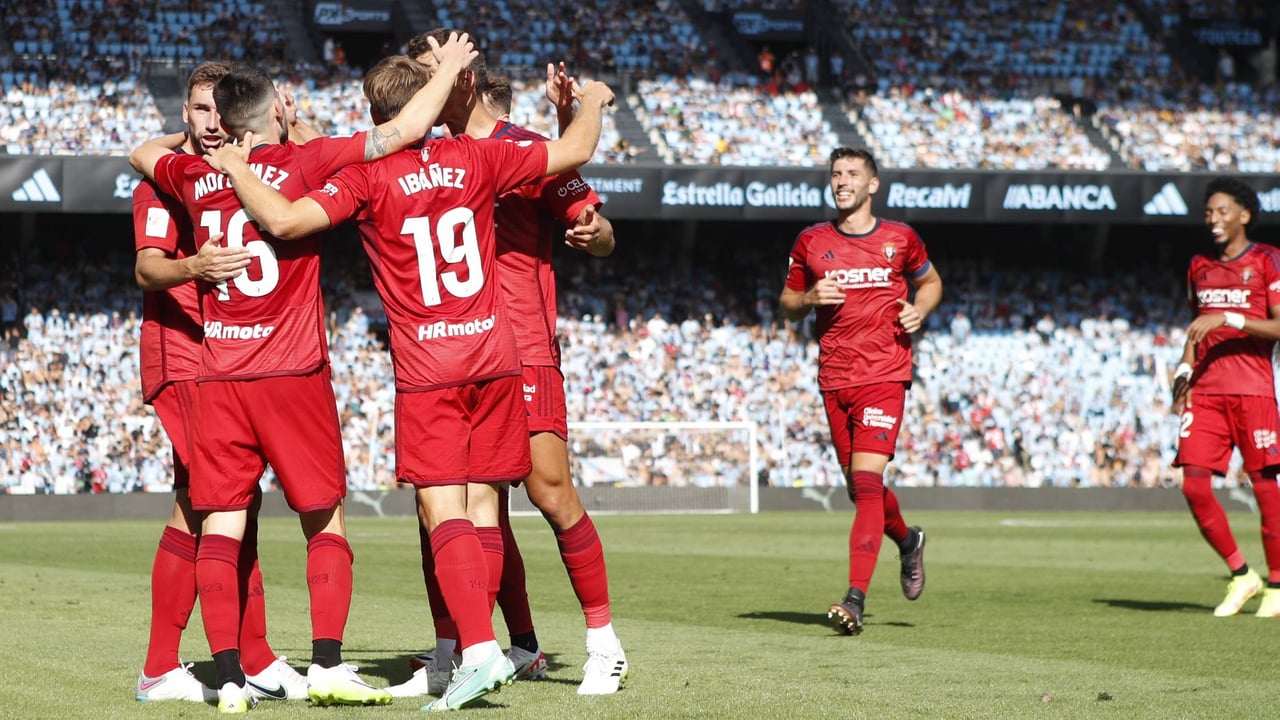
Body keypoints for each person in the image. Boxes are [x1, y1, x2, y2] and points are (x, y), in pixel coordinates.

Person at [204, 55, 614, 711]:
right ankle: (489, 649)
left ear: (376, 116)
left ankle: (479, 651)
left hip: (430, 369)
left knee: (441, 511)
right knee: (486, 509)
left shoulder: (366, 178)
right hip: (496, 355)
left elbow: (283, 221)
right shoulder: (478, 157)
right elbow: (576, 150)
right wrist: (590, 99)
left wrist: (238, 169)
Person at [129, 35, 476, 713]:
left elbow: (142, 153)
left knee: (219, 521)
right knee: (324, 520)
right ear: (276, 113)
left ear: (227, 122)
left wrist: (214, 151)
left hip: (220, 373)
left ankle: (231, 679)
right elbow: (407, 128)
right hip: (291, 371)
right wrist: (453, 69)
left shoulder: (189, 177)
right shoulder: (303, 161)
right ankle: (327, 665)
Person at [398, 34, 627, 697]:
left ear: (466, 78)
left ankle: (604, 644)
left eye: (434, 73)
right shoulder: (418, 152)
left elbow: (598, 226)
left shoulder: (523, 147)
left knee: (550, 492)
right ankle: (467, 652)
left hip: (521, 346)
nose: (425, 86)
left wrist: (596, 232)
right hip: (450, 352)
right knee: (450, 510)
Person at [131, 60, 309, 705]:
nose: (212, 123)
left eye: (220, 110)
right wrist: (194, 267)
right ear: (184, 112)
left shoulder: (240, 168)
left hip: (227, 359)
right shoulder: (166, 178)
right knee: (209, 502)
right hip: (183, 352)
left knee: (231, 501)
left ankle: (249, 656)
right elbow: (147, 269)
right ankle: (165, 666)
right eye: (201, 110)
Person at [779, 147, 940, 636]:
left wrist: (919, 310)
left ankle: (854, 600)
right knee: (858, 489)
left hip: (885, 374)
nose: (841, 180)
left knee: (867, 484)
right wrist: (809, 298)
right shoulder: (811, 241)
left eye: (852, 173)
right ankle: (908, 540)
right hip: (834, 378)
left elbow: (930, 283)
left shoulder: (900, 238)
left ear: (873, 185)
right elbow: (787, 302)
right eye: (836, 174)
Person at [1171, 177, 1280, 618]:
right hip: (1206, 393)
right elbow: (1197, 327)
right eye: (1208, 213)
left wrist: (1230, 318)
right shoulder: (1199, 266)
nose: (1213, 219)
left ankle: (1278, 585)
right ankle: (1242, 574)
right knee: (1194, 485)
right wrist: (1183, 371)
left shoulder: (1268, 259)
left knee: (1265, 488)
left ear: (1244, 215)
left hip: (1253, 390)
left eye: (1221, 211)